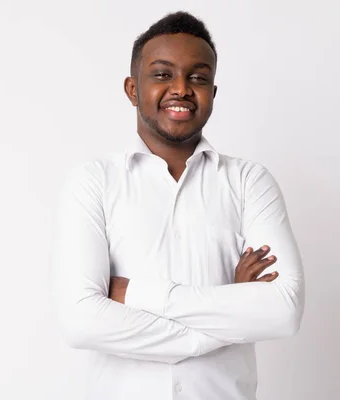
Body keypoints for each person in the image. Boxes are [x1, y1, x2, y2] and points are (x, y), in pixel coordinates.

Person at [52, 11, 305, 400]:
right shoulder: (94, 182)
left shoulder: (249, 182)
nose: (182, 89)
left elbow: (283, 311)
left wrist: (135, 295)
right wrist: (233, 309)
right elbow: (82, 322)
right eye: (162, 74)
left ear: (213, 94)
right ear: (132, 88)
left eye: (199, 78)